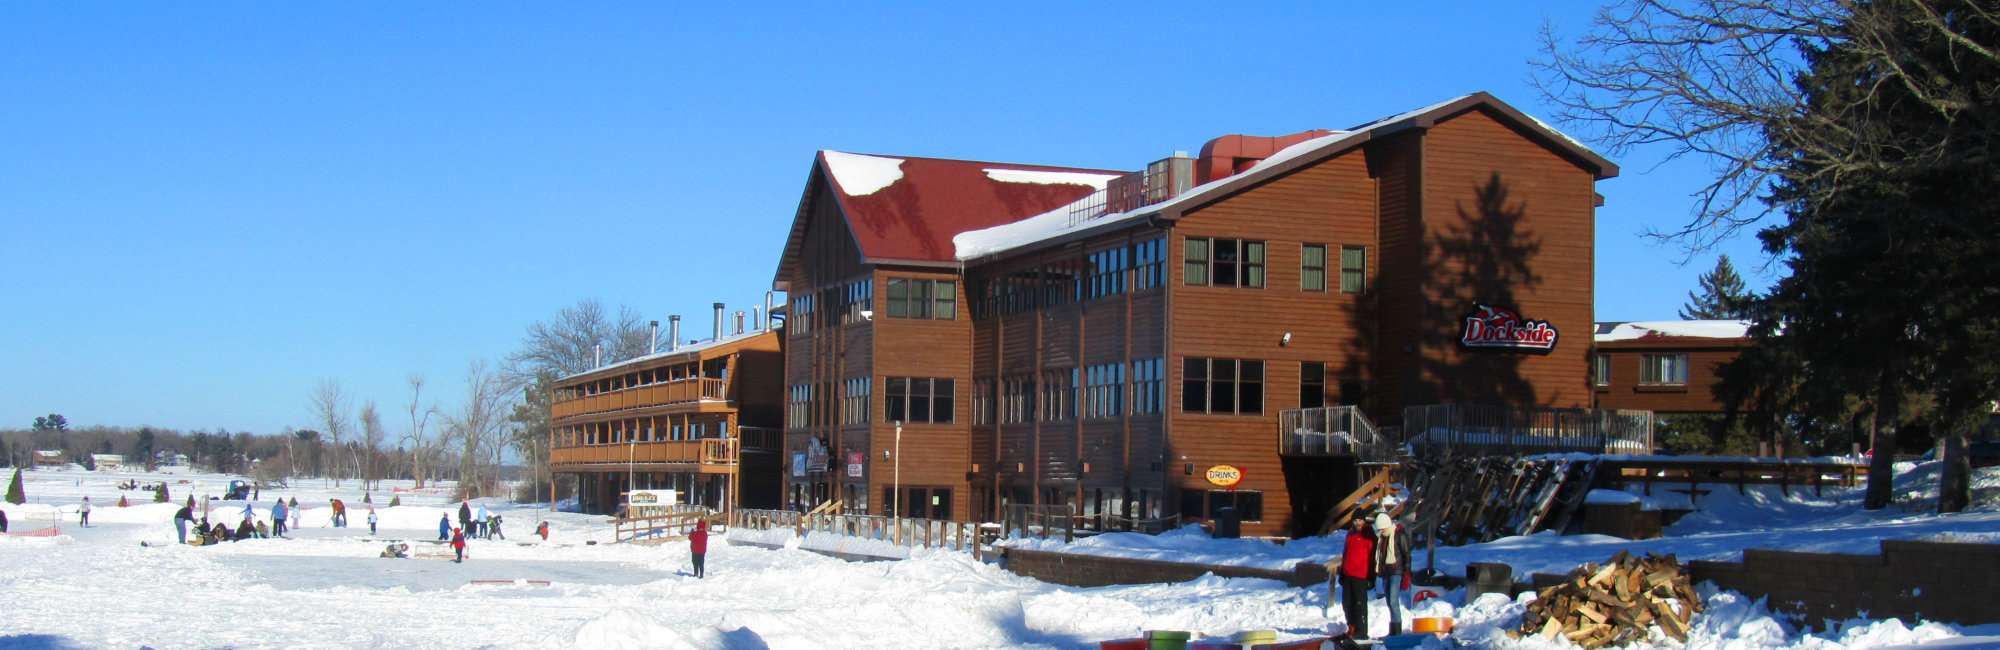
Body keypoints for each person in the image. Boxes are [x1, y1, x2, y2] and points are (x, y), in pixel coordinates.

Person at [1335, 515, 1376, 640]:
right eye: (1355, 520)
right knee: (1347, 603)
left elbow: (1372, 557)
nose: (1358, 523)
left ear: (1364, 521)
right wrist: (1342, 572)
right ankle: (1351, 626)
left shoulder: (1368, 534)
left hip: (1361, 575)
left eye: (1360, 520)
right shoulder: (1350, 534)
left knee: (1359, 604)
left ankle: (1362, 631)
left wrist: (1371, 577)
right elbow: (1345, 553)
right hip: (1348, 574)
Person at [1374, 512, 1413, 636]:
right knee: (1389, 601)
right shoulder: (1382, 538)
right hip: (1386, 572)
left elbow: (1406, 553)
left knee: (1393, 600)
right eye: (1380, 529)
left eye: (1383, 528)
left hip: (1396, 571)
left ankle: (1397, 629)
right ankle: (1393, 627)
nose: (1382, 531)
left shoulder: (1398, 535)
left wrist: (1406, 571)